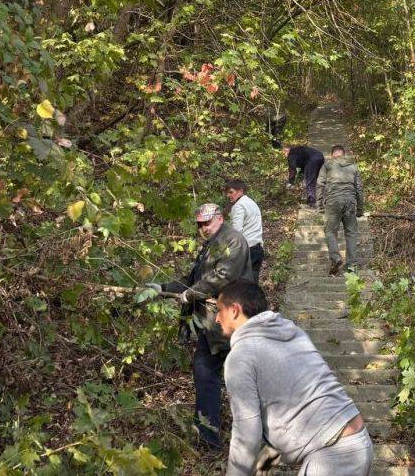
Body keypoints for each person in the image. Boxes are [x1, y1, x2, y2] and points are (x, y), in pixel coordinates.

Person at [214, 281, 373, 476]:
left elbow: (246, 433)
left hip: (332, 458)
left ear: (234, 310)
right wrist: (274, 450)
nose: (216, 318)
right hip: (358, 442)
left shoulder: (241, 356)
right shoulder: (293, 333)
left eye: (218, 310)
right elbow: (296, 397)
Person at [150, 203, 255, 451]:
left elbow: (222, 276)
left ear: (220, 218)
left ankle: (255, 435)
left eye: (207, 223)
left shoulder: (233, 241)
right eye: (200, 224)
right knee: (205, 374)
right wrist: (162, 289)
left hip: (234, 322)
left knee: (241, 379)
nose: (203, 228)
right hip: (213, 324)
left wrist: (191, 294)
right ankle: (208, 436)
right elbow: (194, 280)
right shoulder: (212, 243)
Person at [317, 145, 365, 276]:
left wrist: (319, 205)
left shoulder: (327, 165)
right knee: (351, 233)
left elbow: (320, 184)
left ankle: (336, 257)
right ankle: (352, 266)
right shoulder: (353, 167)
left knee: (330, 231)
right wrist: (360, 208)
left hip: (333, 202)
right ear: (343, 155)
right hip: (350, 202)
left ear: (332, 155)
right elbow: (359, 189)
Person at [226, 179, 264, 283]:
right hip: (258, 248)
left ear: (240, 191)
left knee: (241, 286)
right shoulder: (251, 203)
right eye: (227, 192)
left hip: (247, 250)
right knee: (253, 285)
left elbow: (236, 231)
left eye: (231, 192)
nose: (228, 195)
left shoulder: (239, 206)